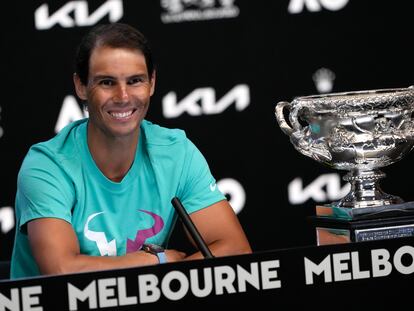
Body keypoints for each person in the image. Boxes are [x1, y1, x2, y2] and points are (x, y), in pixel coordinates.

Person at [10, 23, 251, 279]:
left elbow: (235, 249)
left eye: (135, 81)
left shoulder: (176, 152)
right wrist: (156, 261)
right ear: (81, 86)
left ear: (152, 83)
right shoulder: (47, 166)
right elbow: (60, 271)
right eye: (107, 82)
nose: (123, 96)